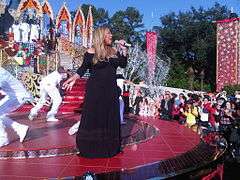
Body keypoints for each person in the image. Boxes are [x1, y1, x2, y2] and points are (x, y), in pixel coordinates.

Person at [63, 26, 128, 158]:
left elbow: (123, 64)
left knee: (109, 116)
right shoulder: (91, 51)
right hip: (95, 90)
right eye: (109, 33)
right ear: (102, 35)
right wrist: (74, 78)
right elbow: (83, 68)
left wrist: (124, 50)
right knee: (94, 116)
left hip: (110, 90)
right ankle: (89, 147)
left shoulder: (114, 50)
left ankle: (110, 146)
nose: (111, 36)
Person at [0, 67, 32, 147]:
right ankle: (20, 129)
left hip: (19, 96)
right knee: (1, 115)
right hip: (12, 96)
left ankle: (3, 139)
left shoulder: (1, 73)